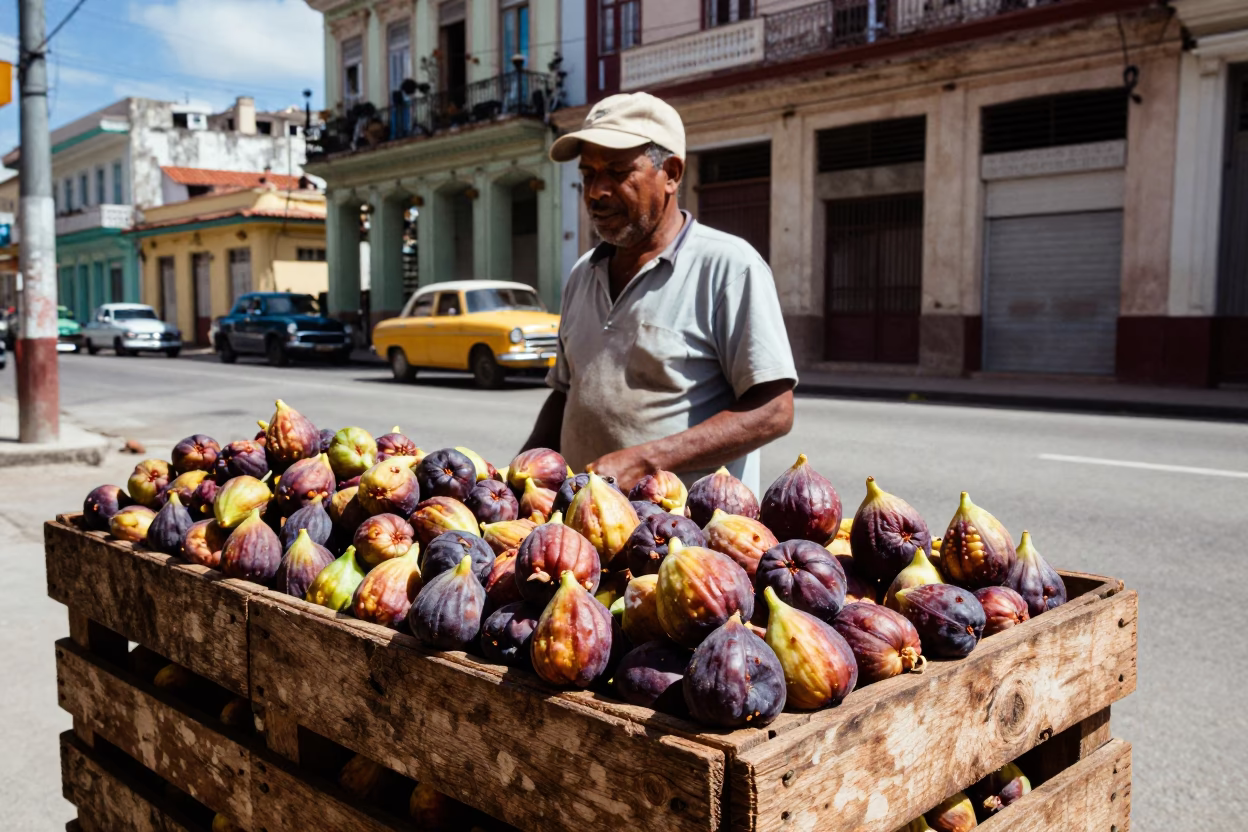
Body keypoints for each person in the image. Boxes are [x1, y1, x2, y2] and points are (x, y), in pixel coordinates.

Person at [522, 92, 797, 495]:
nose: (596, 191)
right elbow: (566, 394)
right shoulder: (584, 274)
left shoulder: (728, 266)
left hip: (689, 538)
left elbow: (774, 411)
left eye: (616, 172)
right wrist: (523, 470)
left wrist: (648, 461)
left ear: (670, 173)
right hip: (590, 531)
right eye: (588, 174)